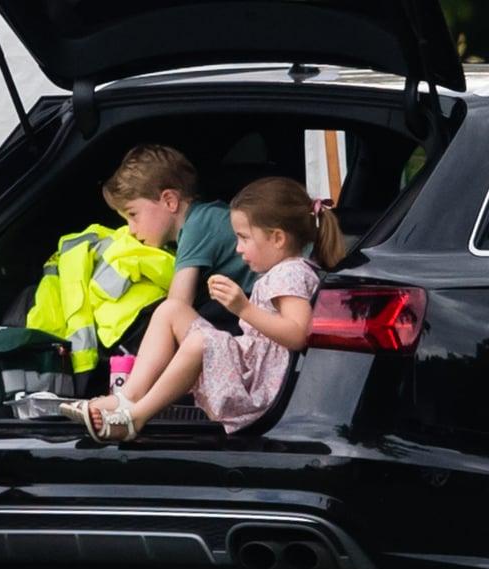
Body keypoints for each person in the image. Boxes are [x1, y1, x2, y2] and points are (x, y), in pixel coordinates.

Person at [62, 177, 345, 440]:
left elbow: (298, 334)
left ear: (278, 238)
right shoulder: (282, 271)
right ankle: (128, 396)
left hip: (257, 386)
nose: (237, 248)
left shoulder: (292, 272)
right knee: (171, 309)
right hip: (248, 366)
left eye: (244, 238)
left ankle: (135, 417)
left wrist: (242, 308)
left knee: (202, 341)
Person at [102, 144, 255, 314]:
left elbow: (176, 307)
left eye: (133, 214)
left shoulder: (198, 226)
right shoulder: (207, 216)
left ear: (169, 201)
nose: (131, 230)